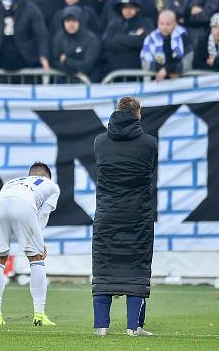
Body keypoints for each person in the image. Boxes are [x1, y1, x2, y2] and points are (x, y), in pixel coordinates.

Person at [93, 97, 156, 337]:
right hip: (138, 215)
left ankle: (101, 327)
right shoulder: (150, 143)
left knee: (103, 265)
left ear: (117, 112)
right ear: (138, 114)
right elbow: (149, 171)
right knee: (137, 267)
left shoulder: (99, 142)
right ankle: (134, 327)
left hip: (107, 213)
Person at [0, 162, 60, 327]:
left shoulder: (12, 182)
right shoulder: (52, 186)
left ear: (31, 174)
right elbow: (44, 212)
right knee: (36, 259)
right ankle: (39, 316)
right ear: (47, 176)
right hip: (23, 204)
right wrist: (38, 239)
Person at [141, 10, 193, 81]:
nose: (164, 27)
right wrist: (163, 70)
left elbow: (188, 60)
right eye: (161, 24)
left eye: (168, 24)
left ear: (175, 24)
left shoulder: (183, 37)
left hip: (179, 82)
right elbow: (145, 62)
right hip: (156, 81)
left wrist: (168, 70)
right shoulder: (151, 39)